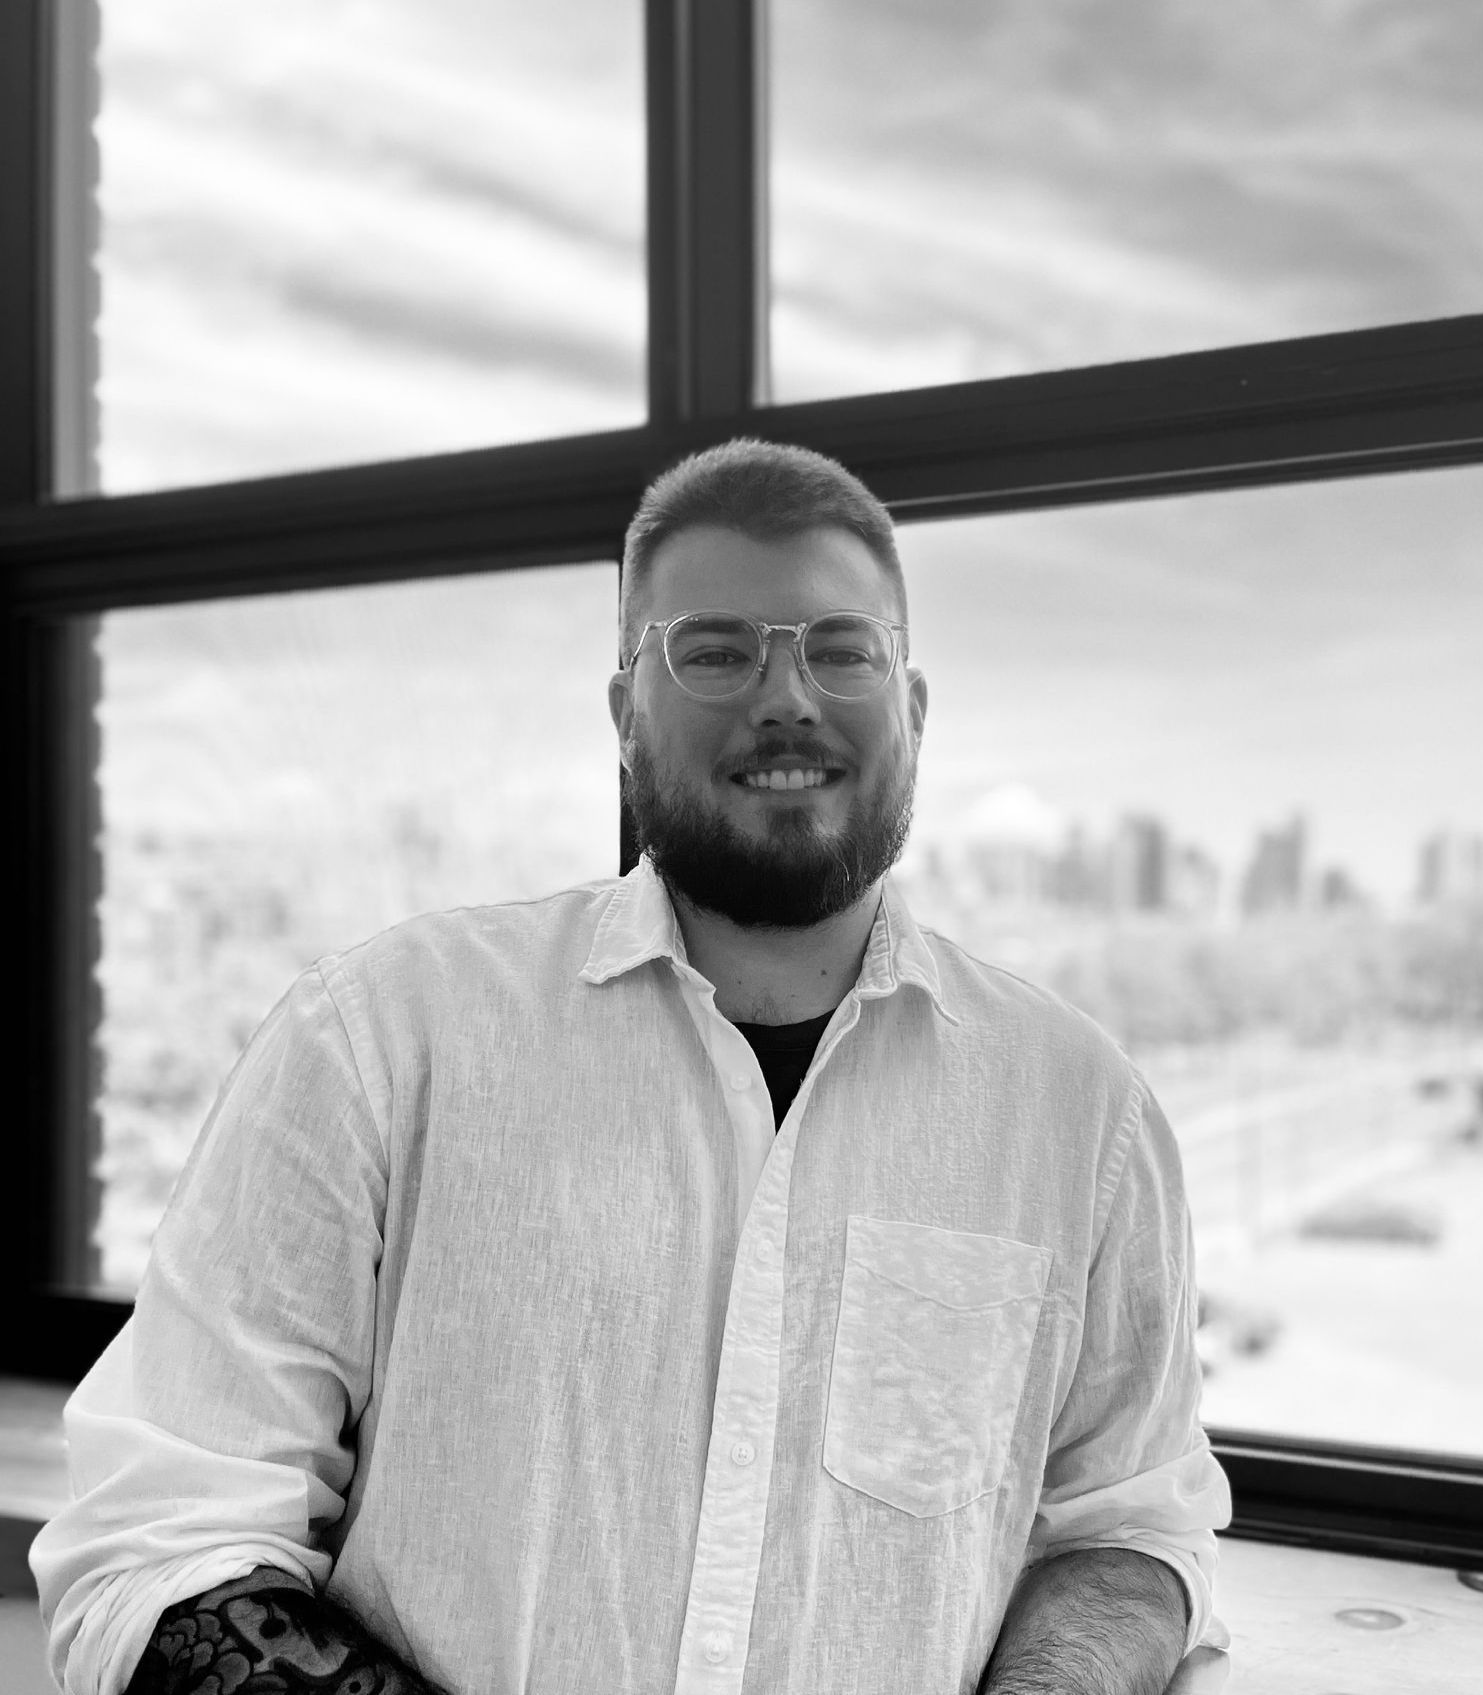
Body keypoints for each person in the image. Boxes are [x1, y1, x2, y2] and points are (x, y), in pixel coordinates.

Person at [33, 438, 1232, 1695]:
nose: (788, 697)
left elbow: (1129, 1524)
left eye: (843, 650)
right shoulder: (376, 1041)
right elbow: (160, 1540)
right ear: (624, 716)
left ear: (913, 711)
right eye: (714, 651)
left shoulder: (1079, 1114)